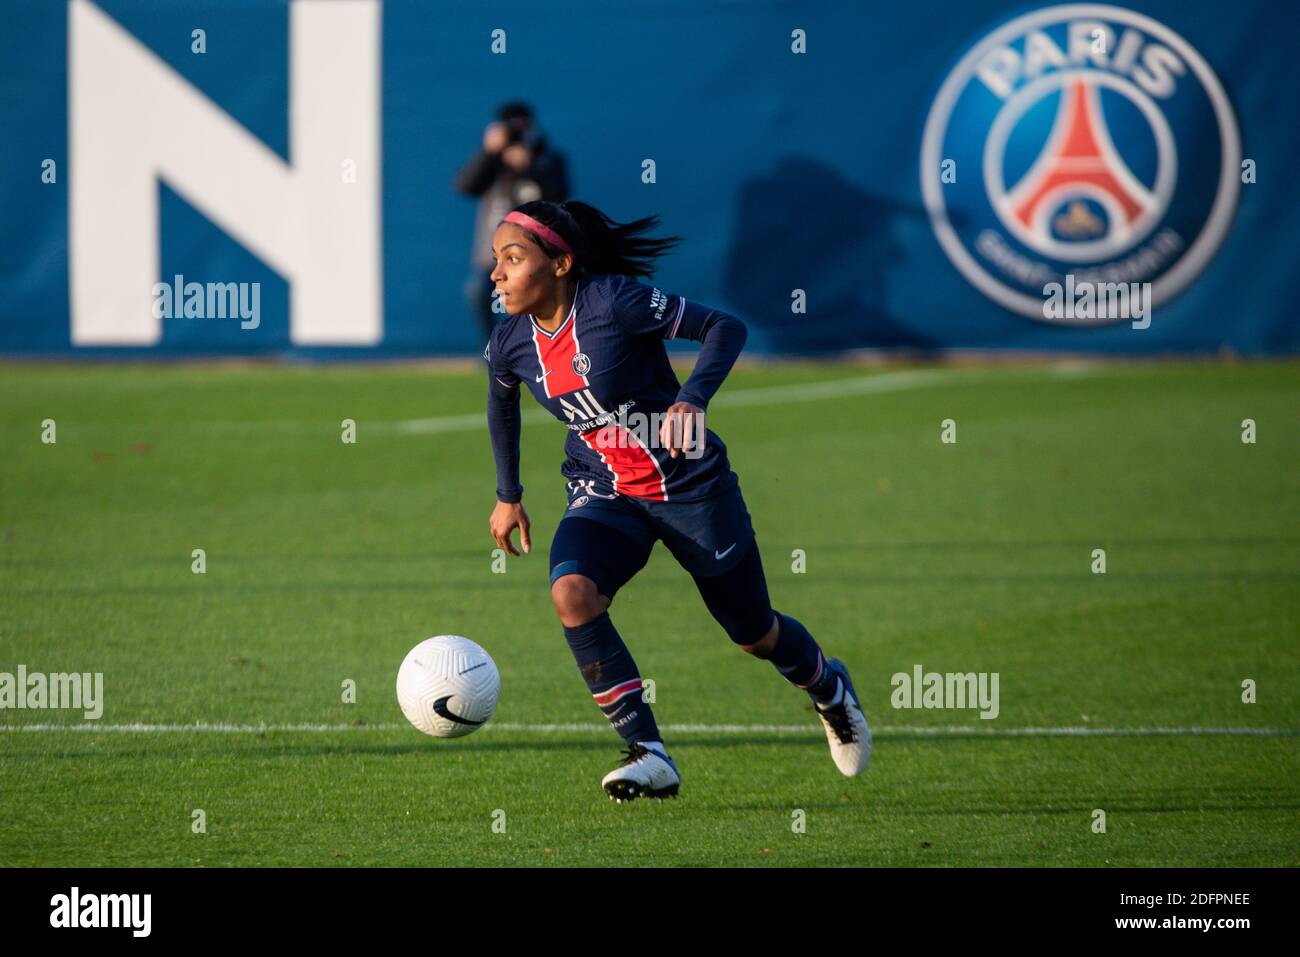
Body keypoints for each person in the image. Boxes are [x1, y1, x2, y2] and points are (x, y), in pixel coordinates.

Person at [483, 199, 871, 802]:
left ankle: (829, 688)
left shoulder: (614, 302)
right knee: (572, 594)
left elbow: (724, 327)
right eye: (495, 260)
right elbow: (500, 401)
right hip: (604, 489)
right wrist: (509, 496)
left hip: (690, 488)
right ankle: (649, 752)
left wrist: (692, 398)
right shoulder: (510, 340)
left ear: (560, 264)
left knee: (753, 634)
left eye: (513, 258)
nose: (497, 274)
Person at [455, 102, 569, 345]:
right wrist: (488, 152)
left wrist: (531, 168)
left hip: (535, 249)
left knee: (531, 300)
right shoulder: (492, 161)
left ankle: (536, 349)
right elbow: (465, 186)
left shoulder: (547, 157)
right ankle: (495, 350)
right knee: (479, 295)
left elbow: (559, 194)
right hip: (494, 250)